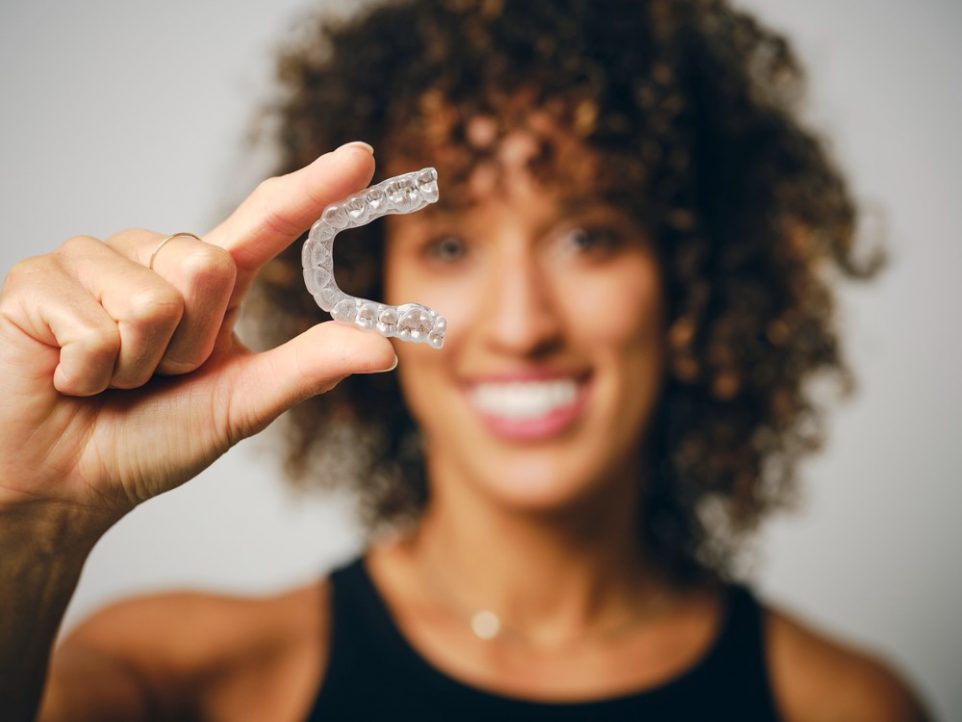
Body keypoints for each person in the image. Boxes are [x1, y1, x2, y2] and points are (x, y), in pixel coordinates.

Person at [0, 0, 932, 720]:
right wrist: (30, 529)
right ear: (370, 273)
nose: (522, 325)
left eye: (589, 236)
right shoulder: (170, 676)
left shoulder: (844, 704)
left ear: (692, 282)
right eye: (450, 246)